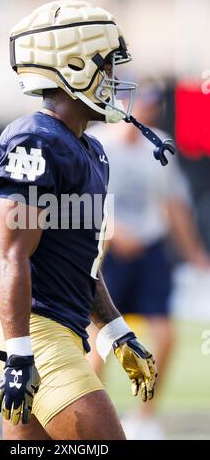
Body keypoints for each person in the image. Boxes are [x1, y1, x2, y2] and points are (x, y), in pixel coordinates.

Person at [0, 0, 159, 441]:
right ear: (75, 68)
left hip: (59, 327)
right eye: (108, 67)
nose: (115, 81)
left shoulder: (90, 151)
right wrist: (20, 354)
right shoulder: (35, 141)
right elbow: (13, 254)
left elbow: (84, 266)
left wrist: (116, 332)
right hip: (32, 329)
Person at [86, 81, 210, 439]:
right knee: (99, 342)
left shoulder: (157, 144)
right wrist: (112, 229)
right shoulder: (98, 141)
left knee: (166, 336)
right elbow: (81, 198)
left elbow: (173, 205)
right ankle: (97, 419)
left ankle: (144, 415)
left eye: (152, 105)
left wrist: (194, 254)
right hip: (108, 252)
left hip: (150, 250)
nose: (146, 111)